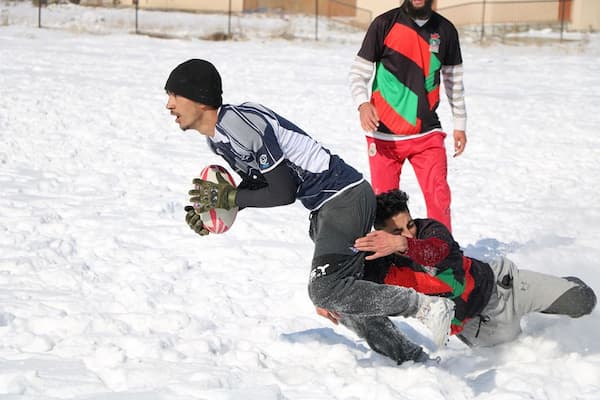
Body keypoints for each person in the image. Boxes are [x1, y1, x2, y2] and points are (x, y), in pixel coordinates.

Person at [164, 58, 455, 364]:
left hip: (344, 196)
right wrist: (216, 212)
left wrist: (232, 198)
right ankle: (412, 359)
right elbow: (259, 186)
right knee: (339, 298)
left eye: (173, 95)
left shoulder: (239, 123)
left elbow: (282, 191)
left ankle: (426, 308)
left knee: (325, 289)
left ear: (199, 96)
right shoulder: (217, 140)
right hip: (324, 209)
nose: (169, 105)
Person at [332, 189, 596, 347]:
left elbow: (438, 252)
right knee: (520, 362)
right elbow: (344, 283)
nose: (409, 233)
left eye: (409, 224)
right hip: (476, 328)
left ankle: (560, 286)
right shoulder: (379, 265)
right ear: (377, 234)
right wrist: (327, 297)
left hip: (504, 287)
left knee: (583, 301)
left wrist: (402, 242)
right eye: (396, 231)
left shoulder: (430, 230)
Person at [348, 0, 467, 232]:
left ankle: (442, 258)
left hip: (427, 134)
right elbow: (357, 73)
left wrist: (459, 124)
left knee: (439, 198)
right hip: (384, 137)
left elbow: (455, 81)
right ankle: (393, 263)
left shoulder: (445, 30)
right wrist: (363, 104)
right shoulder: (384, 24)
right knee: (386, 212)